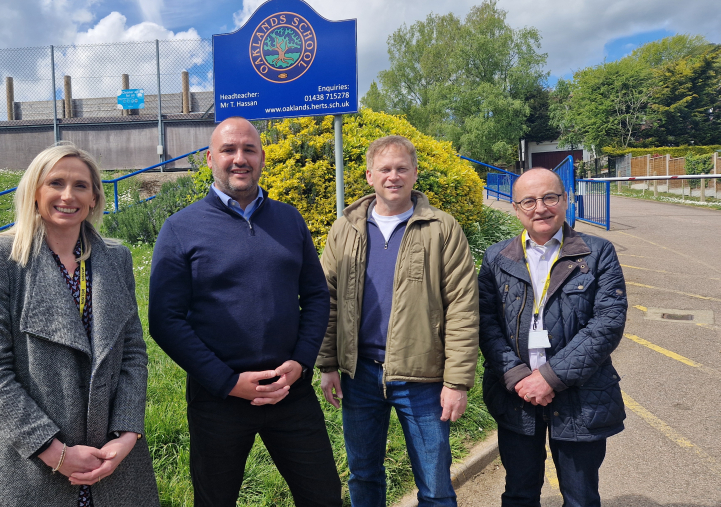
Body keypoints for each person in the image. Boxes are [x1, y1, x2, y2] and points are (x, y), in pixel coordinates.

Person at [148, 116, 342, 506]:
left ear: (262, 158)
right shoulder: (180, 228)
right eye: (229, 150)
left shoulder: (289, 219)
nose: (240, 159)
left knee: (324, 497)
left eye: (248, 149)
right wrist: (226, 381)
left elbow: (317, 296)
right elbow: (165, 321)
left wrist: (301, 362)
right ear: (209, 159)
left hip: (291, 392)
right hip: (218, 398)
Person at [0, 144, 159, 507]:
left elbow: (133, 353)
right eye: (56, 183)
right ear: (35, 191)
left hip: (111, 463)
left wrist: (127, 435)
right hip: (27, 463)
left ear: (95, 196)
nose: (68, 195)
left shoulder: (116, 258)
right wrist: (55, 452)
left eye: (81, 185)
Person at [317, 135, 480, 507]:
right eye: (385, 169)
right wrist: (327, 363)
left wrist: (457, 382)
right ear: (370, 175)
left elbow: (462, 309)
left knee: (435, 486)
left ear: (415, 173)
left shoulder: (443, 228)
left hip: (423, 380)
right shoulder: (345, 229)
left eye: (402, 168)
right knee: (363, 476)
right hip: (359, 376)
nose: (394, 176)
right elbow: (325, 299)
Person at [478, 167, 627, 507]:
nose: (540, 208)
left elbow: (608, 323)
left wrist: (549, 377)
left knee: (580, 496)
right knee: (518, 493)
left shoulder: (597, 253)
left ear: (565, 200)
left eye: (549, 197)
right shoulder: (497, 257)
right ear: (516, 208)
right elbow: (485, 323)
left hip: (580, 396)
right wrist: (519, 378)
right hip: (516, 396)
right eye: (528, 201)